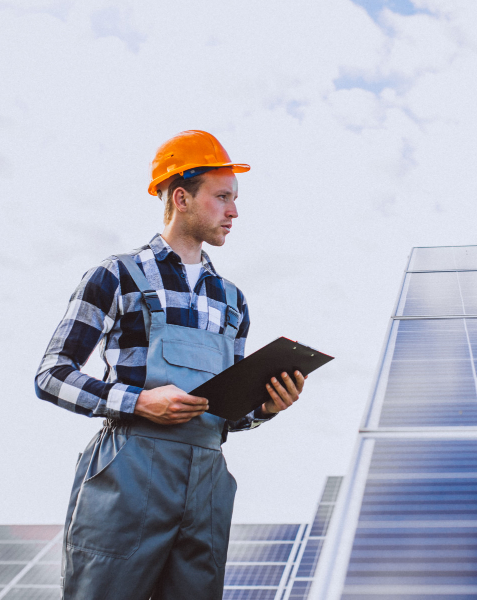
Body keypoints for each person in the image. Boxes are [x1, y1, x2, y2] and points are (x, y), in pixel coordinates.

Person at [34, 129, 306, 600]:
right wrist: (139, 401)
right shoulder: (116, 275)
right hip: (128, 473)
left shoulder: (233, 301)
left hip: (207, 481)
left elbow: (225, 412)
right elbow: (51, 375)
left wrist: (265, 408)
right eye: (222, 197)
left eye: (235, 199)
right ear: (181, 197)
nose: (234, 212)